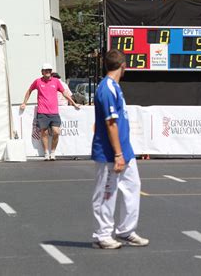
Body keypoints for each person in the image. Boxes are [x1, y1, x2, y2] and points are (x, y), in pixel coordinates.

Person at [91, 49, 149, 250]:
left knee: (133, 188)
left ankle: (126, 230)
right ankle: (103, 234)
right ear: (123, 66)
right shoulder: (106, 88)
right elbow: (111, 124)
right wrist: (117, 154)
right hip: (109, 152)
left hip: (125, 150)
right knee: (107, 193)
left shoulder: (115, 86)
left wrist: (125, 152)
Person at [20, 63, 80, 161]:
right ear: (42, 72)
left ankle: (53, 152)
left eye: (49, 70)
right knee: (44, 132)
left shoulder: (56, 81)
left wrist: (73, 103)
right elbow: (29, 90)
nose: (48, 71)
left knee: (56, 132)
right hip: (42, 112)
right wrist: (24, 103)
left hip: (54, 112)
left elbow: (64, 93)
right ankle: (46, 153)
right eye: (46, 70)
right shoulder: (38, 81)